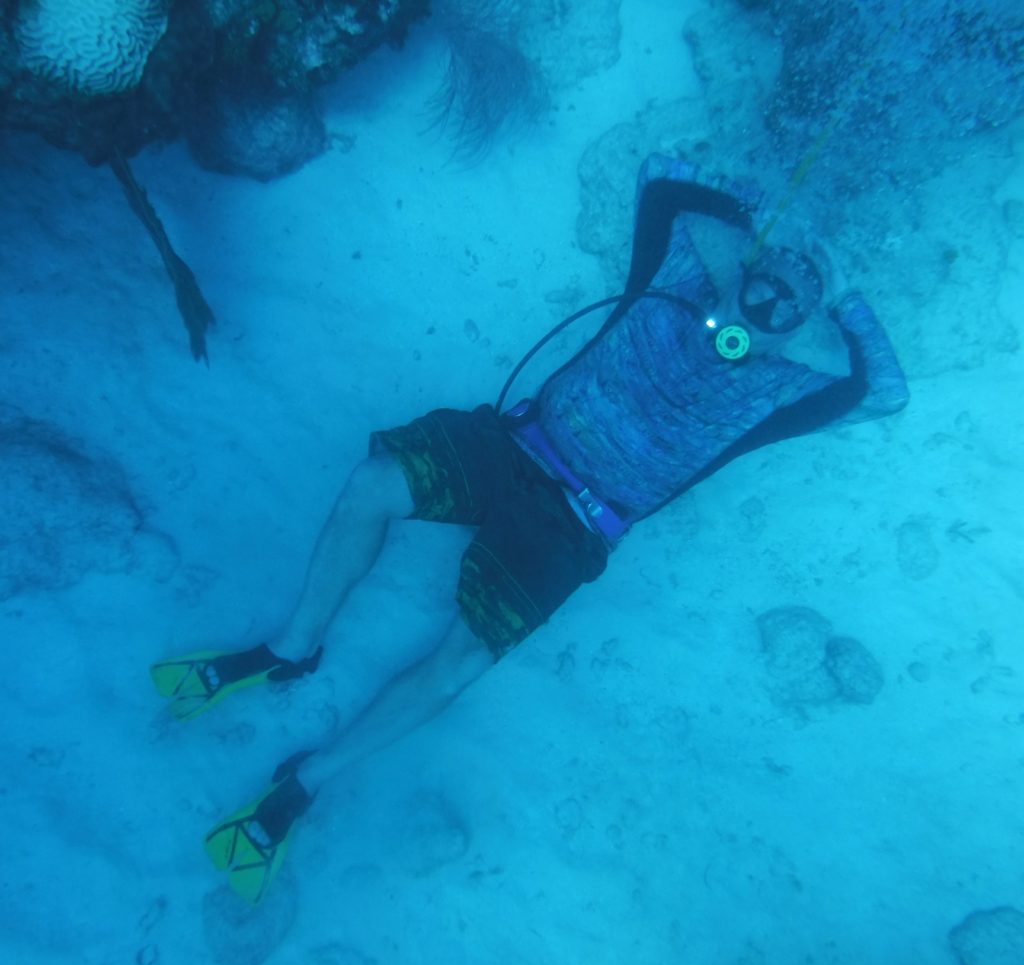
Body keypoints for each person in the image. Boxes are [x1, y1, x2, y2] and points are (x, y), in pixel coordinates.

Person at [151, 154, 909, 903]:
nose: (762, 313)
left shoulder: (778, 391)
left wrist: (843, 297)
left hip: (576, 529)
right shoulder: (677, 279)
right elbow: (663, 179)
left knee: (462, 661)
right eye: (762, 288)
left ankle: (304, 786)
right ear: (738, 273)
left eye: (785, 312)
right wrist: (754, 212)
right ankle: (291, 650)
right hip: (511, 447)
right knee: (372, 484)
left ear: (793, 335)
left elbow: (884, 392)